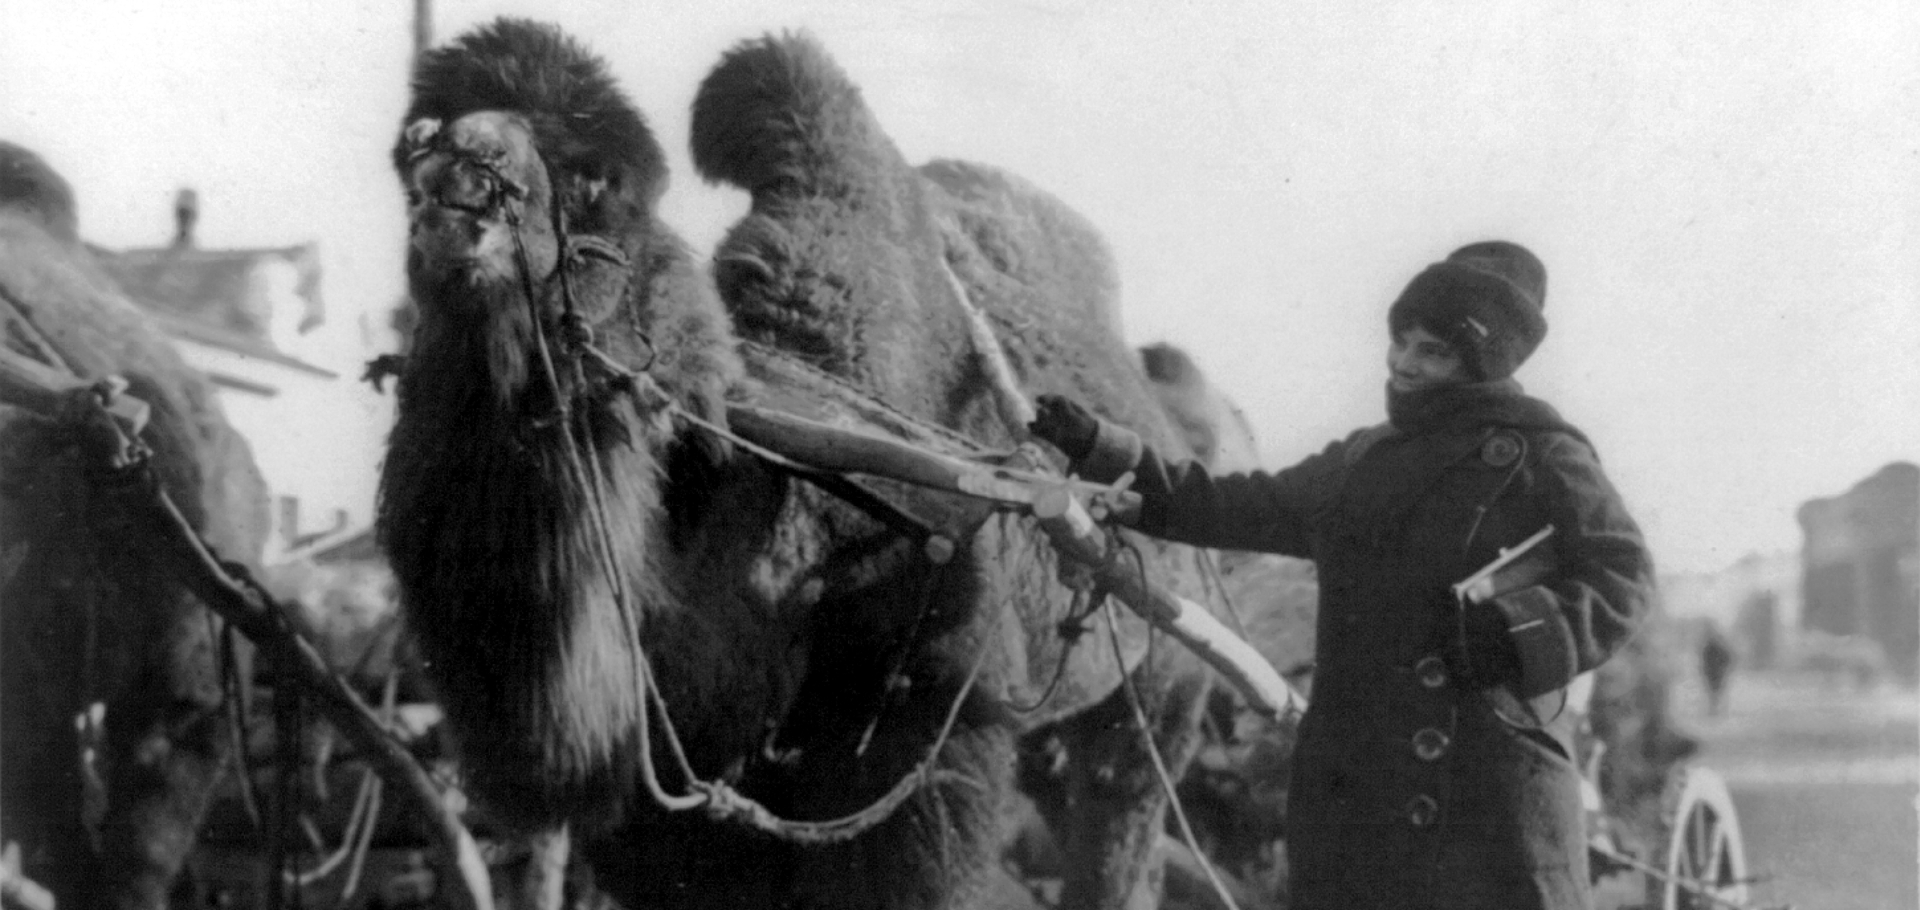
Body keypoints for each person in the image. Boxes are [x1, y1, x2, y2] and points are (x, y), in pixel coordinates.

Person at [1029, 241, 1653, 910]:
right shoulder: (1362, 461)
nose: (1405, 364)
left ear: (1481, 368)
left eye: (1433, 352)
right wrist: (1102, 447)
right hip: (1355, 794)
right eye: (1403, 341)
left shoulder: (1544, 455)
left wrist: (1513, 633)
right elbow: (1232, 504)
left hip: (1486, 796)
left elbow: (1624, 574)